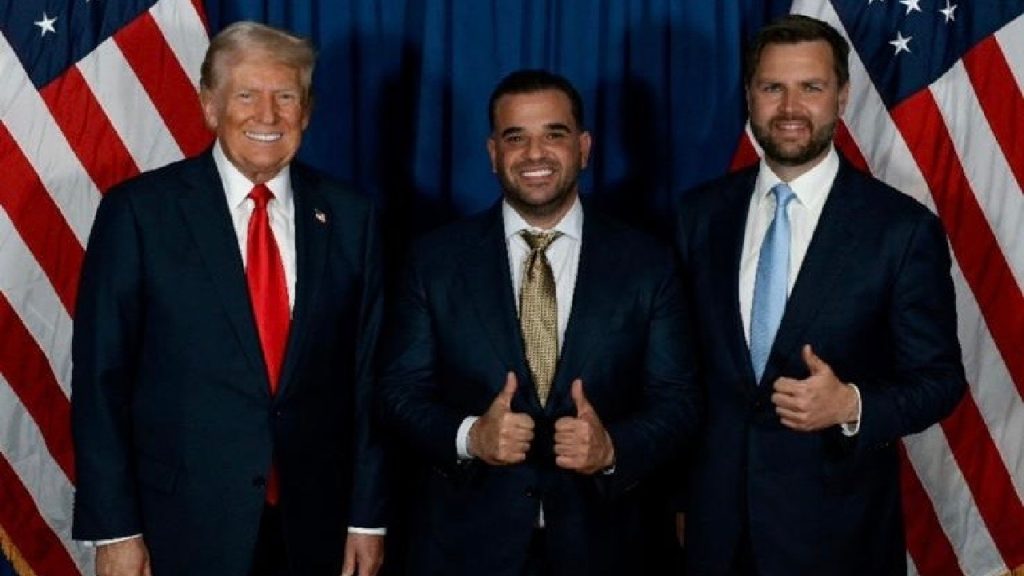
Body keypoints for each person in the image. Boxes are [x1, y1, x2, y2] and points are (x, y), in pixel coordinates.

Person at [71, 21, 386, 576]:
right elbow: (102, 381)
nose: (267, 115)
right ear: (210, 105)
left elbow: (368, 377)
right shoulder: (140, 214)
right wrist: (115, 530)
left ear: (306, 110)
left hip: (316, 527)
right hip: (180, 526)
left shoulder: (352, 219)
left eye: (285, 96)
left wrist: (367, 518)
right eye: (246, 94)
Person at [673, 14, 967, 575]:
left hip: (838, 534)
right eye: (772, 87)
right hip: (714, 532)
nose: (790, 108)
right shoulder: (699, 216)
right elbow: (683, 374)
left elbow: (940, 381)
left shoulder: (899, 230)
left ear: (842, 96)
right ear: (749, 96)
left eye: (811, 87)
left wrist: (851, 404)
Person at [377, 69, 699, 576]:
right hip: (465, 548)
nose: (535, 154)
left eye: (554, 134)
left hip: (606, 546)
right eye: (515, 138)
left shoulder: (647, 263)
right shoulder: (433, 261)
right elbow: (398, 390)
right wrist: (470, 437)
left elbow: (679, 400)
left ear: (584, 146)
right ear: (492, 153)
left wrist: (613, 447)